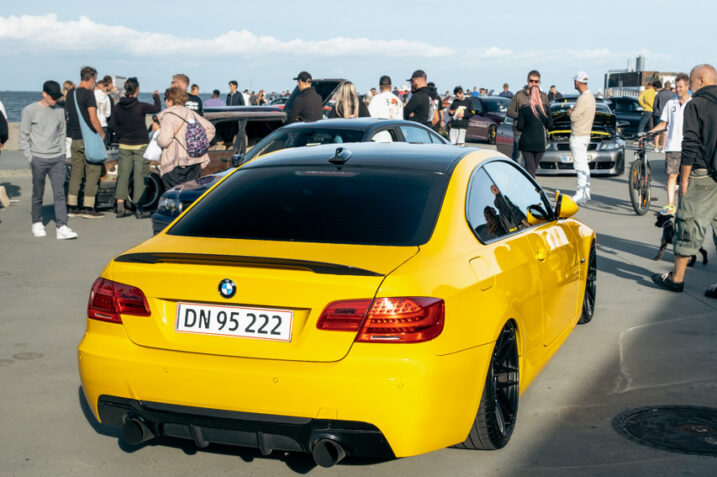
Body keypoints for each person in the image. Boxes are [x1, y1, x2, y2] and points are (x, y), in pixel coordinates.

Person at [651, 64, 717, 299]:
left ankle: (677, 279)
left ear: (700, 79)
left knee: (687, 222)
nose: (689, 85)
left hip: (702, 173)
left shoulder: (696, 104)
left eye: (691, 80)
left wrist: (685, 178)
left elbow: (690, 144)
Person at [18, 81, 78, 239]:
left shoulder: (59, 109)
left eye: (57, 97)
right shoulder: (29, 110)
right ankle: (37, 222)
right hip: (38, 158)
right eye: (53, 97)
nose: (55, 100)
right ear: (44, 94)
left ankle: (62, 227)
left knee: (60, 193)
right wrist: (30, 158)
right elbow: (23, 136)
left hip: (57, 158)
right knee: (38, 193)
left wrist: (62, 154)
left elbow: (61, 133)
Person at [110, 77, 161, 218]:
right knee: (140, 175)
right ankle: (139, 208)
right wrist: (156, 97)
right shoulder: (141, 106)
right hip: (140, 144)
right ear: (137, 90)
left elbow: (113, 124)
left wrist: (121, 136)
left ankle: (120, 205)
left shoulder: (117, 107)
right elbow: (157, 109)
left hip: (124, 144)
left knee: (123, 175)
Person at [648, 74, 690, 216]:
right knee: (672, 176)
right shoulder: (670, 104)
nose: (677, 90)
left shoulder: (693, 103)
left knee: (689, 178)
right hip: (673, 146)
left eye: (680, 87)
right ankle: (671, 205)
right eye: (676, 87)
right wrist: (650, 132)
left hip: (689, 146)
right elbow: (663, 123)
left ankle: (686, 206)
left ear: (687, 87)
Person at [66, 66, 105, 218]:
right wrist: (101, 133)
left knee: (76, 173)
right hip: (88, 139)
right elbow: (93, 118)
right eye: (95, 79)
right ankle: (89, 208)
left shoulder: (71, 93)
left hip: (75, 139)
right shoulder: (89, 94)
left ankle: (72, 206)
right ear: (92, 78)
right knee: (93, 173)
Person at [156, 86, 216, 189]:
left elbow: (164, 141)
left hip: (175, 163)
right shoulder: (190, 113)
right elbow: (210, 129)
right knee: (191, 193)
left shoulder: (168, 116)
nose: (165, 102)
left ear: (170, 101)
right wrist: (199, 143)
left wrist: (157, 136)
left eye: (165, 99)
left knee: (175, 195)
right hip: (194, 160)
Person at [507, 70, 549, 162]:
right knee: (519, 159)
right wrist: (523, 116)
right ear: (527, 81)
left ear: (539, 82)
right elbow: (509, 111)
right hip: (520, 132)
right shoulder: (519, 95)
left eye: (536, 81)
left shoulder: (543, 96)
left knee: (534, 162)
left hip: (536, 134)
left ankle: (530, 176)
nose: (533, 83)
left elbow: (547, 115)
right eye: (531, 81)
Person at [568, 71, 596, 204]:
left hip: (578, 135)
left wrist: (571, 112)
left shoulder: (583, 98)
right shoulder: (591, 97)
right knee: (584, 165)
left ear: (577, 83)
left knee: (579, 165)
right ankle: (586, 191)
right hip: (585, 134)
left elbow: (574, 117)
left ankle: (580, 192)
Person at [517, 84, 554, 177]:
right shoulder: (545, 109)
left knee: (530, 168)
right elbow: (550, 125)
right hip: (540, 142)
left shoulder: (524, 109)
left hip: (527, 142)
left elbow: (519, 127)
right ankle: (531, 187)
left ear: (529, 94)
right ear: (540, 94)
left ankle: (530, 188)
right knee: (533, 168)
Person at [652, 80, 674, 152]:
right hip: (668, 114)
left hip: (658, 114)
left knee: (656, 131)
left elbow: (655, 105)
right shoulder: (673, 94)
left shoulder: (658, 95)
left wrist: (655, 111)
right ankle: (664, 147)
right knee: (665, 131)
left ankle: (656, 147)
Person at [94, 77, 112, 144]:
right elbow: (108, 114)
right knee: (103, 147)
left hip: (94, 124)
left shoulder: (92, 95)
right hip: (103, 124)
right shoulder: (106, 97)